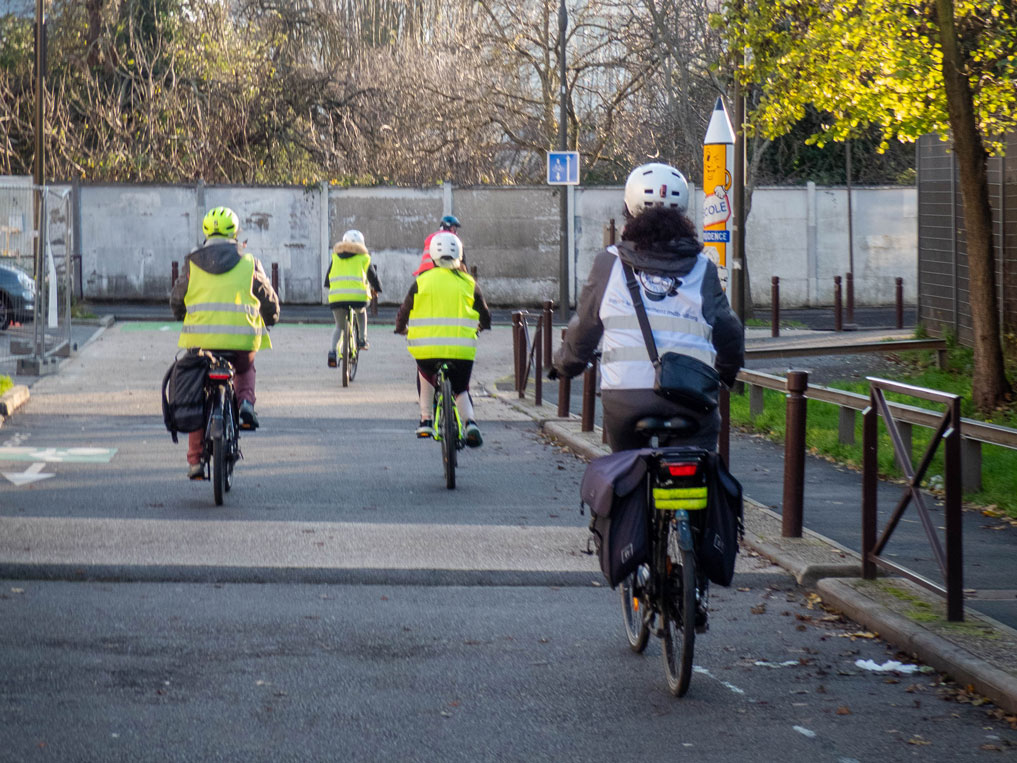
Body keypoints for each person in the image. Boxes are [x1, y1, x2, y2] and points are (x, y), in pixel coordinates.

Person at [551, 162, 743, 452]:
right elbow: (728, 331)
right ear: (683, 215)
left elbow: (585, 328)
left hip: (625, 397)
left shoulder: (609, 262)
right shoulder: (703, 267)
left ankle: (627, 494)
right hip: (691, 395)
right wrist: (726, 372)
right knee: (704, 465)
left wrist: (565, 365)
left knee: (625, 466)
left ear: (628, 211)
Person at [170, 206, 280, 480]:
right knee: (244, 369)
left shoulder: (191, 263)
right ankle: (245, 405)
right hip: (240, 341)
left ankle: (195, 462)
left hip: (201, 344)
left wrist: (181, 314)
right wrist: (271, 317)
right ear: (236, 232)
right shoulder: (249, 261)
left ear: (206, 231)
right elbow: (268, 299)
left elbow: (177, 299)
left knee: (198, 395)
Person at [395, 231, 491, 446]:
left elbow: (404, 311)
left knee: (425, 374)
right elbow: (485, 314)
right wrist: (482, 327)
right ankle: (470, 424)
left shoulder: (422, 282)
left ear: (433, 256)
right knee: (461, 388)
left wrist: (401, 329)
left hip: (427, 350)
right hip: (462, 351)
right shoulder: (469, 282)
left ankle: (426, 420)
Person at [325, 229, 382, 364]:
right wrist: (377, 289)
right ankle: (362, 339)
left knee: (339, 326)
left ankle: (332, 352)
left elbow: (327, 281)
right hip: (358, 297)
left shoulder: (335, 258)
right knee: (360, 313)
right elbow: (373, 278)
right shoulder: (364, 258)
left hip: (336, 298)